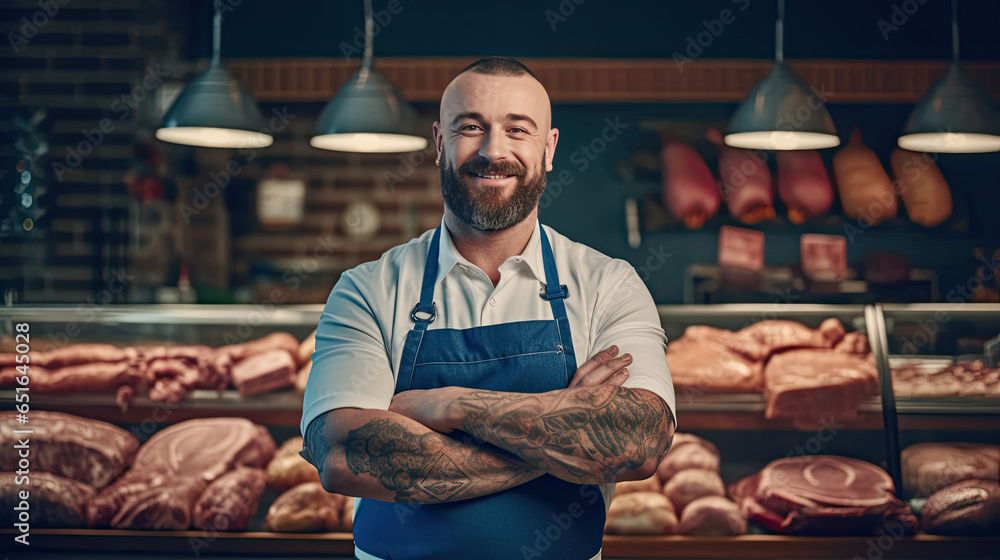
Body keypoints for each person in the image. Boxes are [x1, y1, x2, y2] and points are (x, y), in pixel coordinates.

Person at [300, 56, 676, 560]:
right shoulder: (368, 289)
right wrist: (561, 429)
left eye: (518, 130)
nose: (493, 150)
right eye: (471, 127)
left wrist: (445, 405)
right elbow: (345, 453)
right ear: (439, 143)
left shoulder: (608, 283)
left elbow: (638, 439)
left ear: (549, 149)